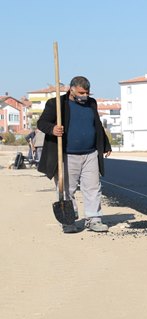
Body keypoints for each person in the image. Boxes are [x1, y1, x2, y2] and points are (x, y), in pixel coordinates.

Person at [37, 76, 112, 234]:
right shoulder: (56, 104)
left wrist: (105, 144)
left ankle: (94, 219)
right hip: (67, 155)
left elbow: (97, 125)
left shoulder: (91, 103)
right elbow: (42, 123)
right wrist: (52, 129)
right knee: (66, 189)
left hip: (90, 153)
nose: (84, 96)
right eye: (81, 92)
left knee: (93, 188)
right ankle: (69, 220)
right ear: (71, 89)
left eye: (87, 93)